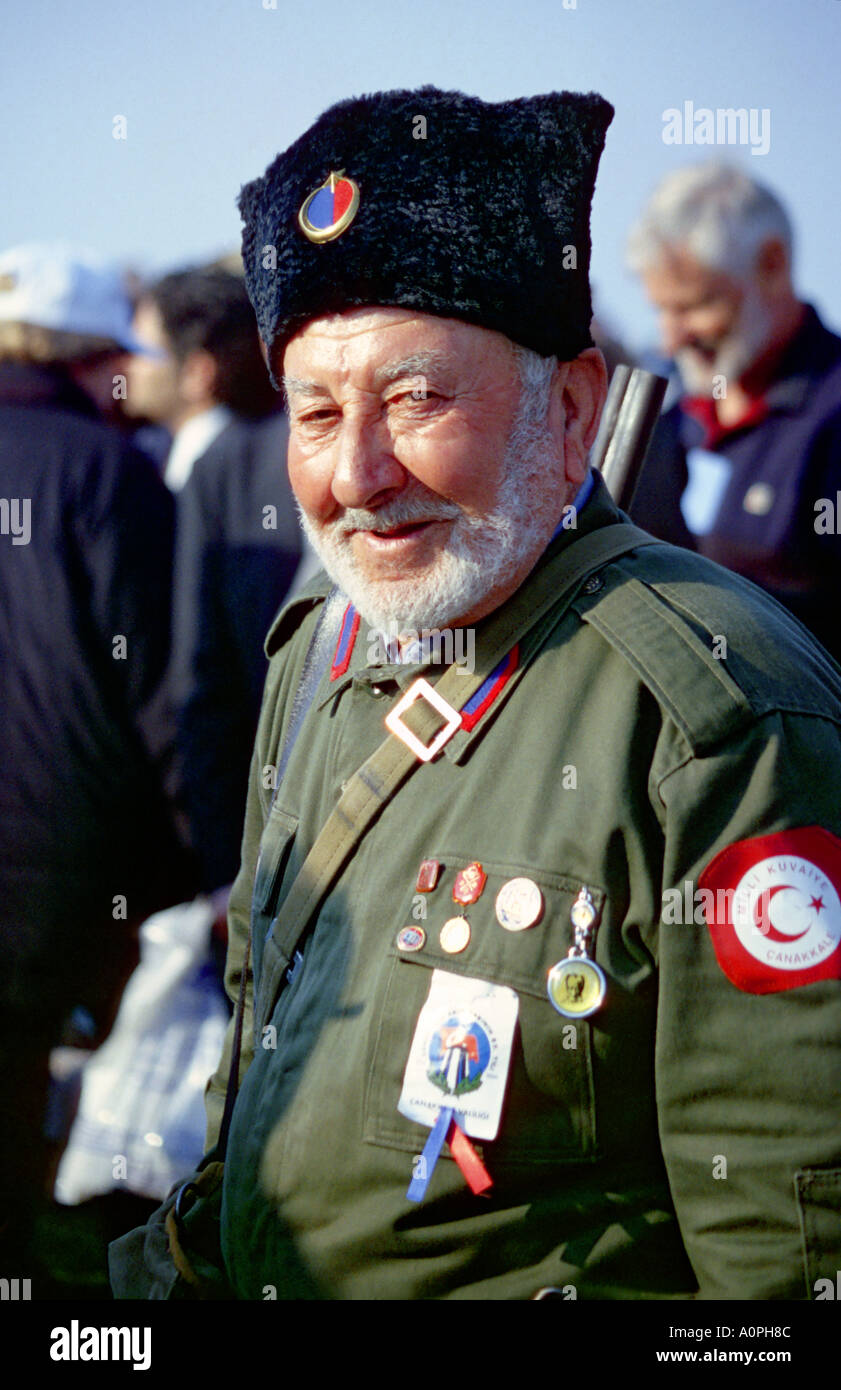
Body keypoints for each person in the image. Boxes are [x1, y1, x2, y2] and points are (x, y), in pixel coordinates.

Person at [112, 87, 841, 1301]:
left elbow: (787, 1239)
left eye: (415, 399)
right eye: (317, 411)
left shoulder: (719, 713)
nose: (358, 474)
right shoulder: (317, 656)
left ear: (569, 411)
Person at [0, 242, 191, 1277]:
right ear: (87, 358)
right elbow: (157, 690)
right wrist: (202, 862)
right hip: (44, 878)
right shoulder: (112, 474)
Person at [626, 163, 841, 661]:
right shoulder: (663, 420)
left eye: (695, 305)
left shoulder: (831, 420)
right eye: (661, 309)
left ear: (772, 264)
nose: (670, 337)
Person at [124, 266, 277, 492]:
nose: (126, 365)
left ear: (197, 373)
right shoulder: (176, 454)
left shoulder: (226, 474)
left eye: (140, 351)